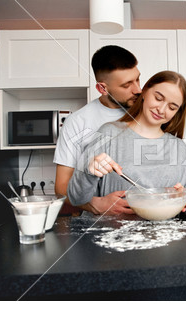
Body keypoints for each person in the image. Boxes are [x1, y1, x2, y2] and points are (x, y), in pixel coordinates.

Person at [68, 71, 186, 212]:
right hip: (113, 232)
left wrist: (182, 201)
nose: (161, 109)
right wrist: (88, 172)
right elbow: (75, 198)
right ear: (144, 91)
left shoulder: (179, 147)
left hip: (164, 233)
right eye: (158, 98)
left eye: (172, 107)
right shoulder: (109, 133)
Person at [54, 45, 142, 215]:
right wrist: (96, 204)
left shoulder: (148, 112)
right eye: (126, 85)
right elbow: (61, 188)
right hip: (96, 226)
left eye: (138, 79)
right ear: (102, 88)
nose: (138, 89)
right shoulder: (77, 122)